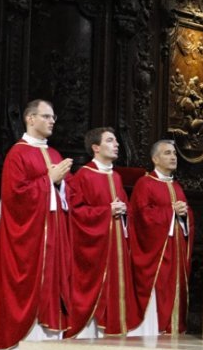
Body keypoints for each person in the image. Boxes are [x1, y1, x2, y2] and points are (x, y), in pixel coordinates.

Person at [0, 99, 72, 350]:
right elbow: (14, 197)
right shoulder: (17, 154)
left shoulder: (54, 154)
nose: (52, 121)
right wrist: (49, 180)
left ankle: (50, 348)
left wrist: (61, 185)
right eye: (46, 116)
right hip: (28, 238)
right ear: (30, 119)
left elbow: (65, 198)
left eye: (53, 117)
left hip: (53, 236)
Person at [66, 127, 139, 338]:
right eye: (110, 140)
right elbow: (76, 212)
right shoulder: (84, 175)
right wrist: (107, 211)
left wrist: (124, 210)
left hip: (116, 247)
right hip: (94, 249)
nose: (116, 144)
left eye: (116, 141)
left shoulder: (116, 176)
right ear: (95, 148)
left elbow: (125, 207)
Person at [130, 139, 194, 335]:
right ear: (155, 159)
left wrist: (184, 214)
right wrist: (171, 212)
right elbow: (142, 216)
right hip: (156, 253)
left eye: (174, 153)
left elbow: (186, 216)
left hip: (176, 252)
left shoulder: (176, 186)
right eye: (167, 153)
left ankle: (173, 327)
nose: (173, 157)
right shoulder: (145, 183)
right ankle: (152, 328)